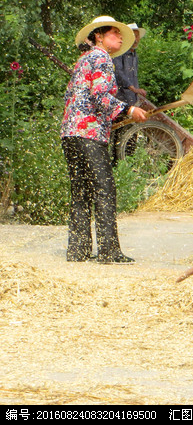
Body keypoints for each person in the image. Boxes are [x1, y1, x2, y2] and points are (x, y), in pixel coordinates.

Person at [61, 16, 148, 264]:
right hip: (88, 133)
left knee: (81, 191)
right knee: (104, 189)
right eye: (115, 33)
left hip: (71, 133)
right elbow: (100, 96)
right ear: (99, 36)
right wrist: (130, 110)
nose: (121, 38)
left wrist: (116, 115)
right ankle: (109, 251)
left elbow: (82, 98)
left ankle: (78, 250)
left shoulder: (84, 60)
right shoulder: (101, 58)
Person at [113, 23, 147, 106]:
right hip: (120, 98)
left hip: (132, 98)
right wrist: (133, 88)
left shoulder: (134, 54)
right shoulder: (119, 53)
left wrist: (136, 91)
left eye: (137, 36)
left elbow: (134, 77)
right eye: (133, 36)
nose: (135, 40)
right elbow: (118, 72)